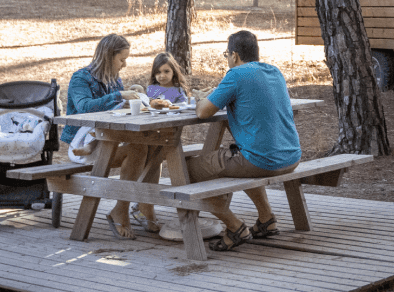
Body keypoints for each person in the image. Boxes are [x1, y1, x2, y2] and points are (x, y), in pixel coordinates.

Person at [178, 30, 300, 252]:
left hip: (263, 161)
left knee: (184, 170)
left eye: (227, 55)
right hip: (291, 156)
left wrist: (199, 98)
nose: (227, 59)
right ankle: (266, 219)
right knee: (241, 155)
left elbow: (204, 111)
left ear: (234, 55)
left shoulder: (236, 75)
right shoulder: (274, 71)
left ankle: (235, 227)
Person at [62, 33, 153, 239]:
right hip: (83, 146)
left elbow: (116, 109)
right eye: (122, 59)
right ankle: (122, 210)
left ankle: (145, 209)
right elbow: (84, 107)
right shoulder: (81, 78)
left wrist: (133, 102)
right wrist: (119, 96)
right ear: (108, 56)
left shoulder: (115, 81)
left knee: (155, 148)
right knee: (139, 149)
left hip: (109, 142)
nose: (124, 65)